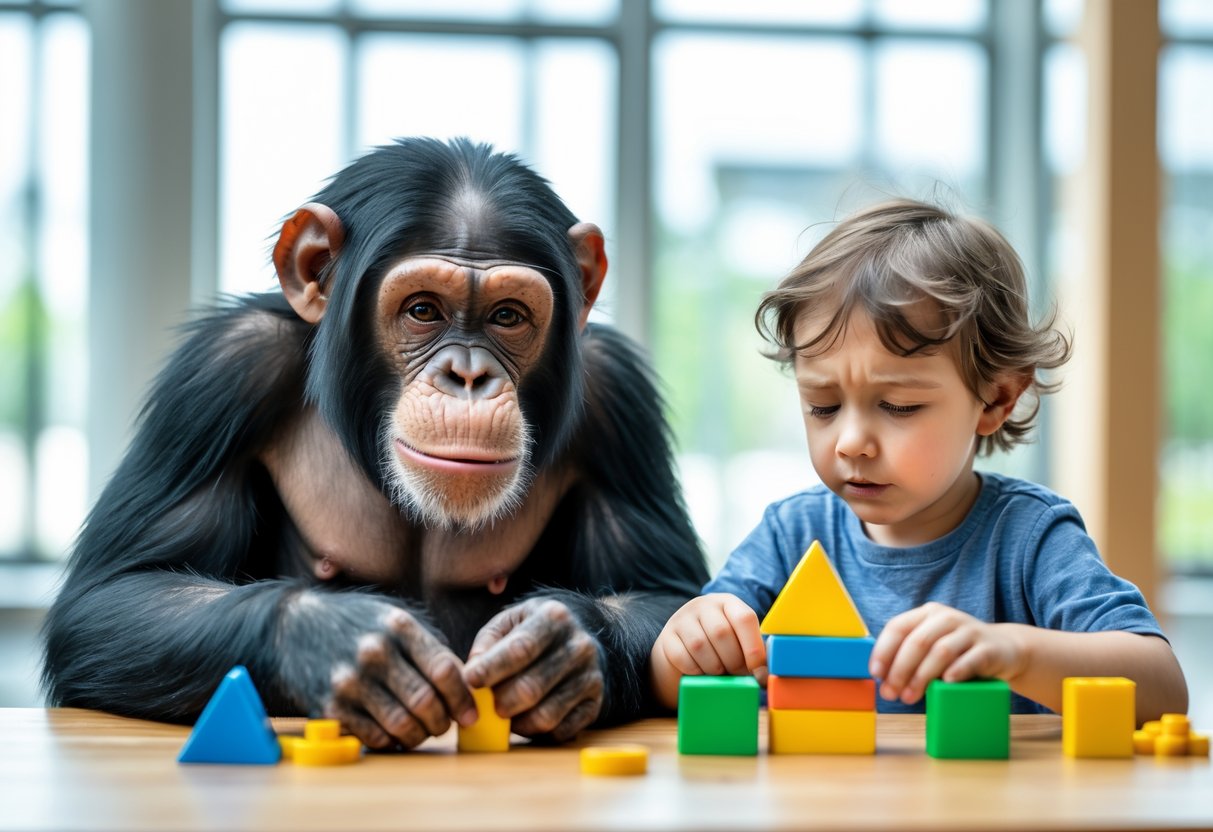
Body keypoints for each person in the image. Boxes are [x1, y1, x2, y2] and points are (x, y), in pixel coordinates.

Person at [650, 198, 1188, 722]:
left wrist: (1016, 652)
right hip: (824, 811)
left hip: (982, 813)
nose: (850, 442)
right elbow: (671, 685)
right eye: (823, 405)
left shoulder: (1029, 537)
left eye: (898, 406)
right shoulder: (792, 534)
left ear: (996, 399)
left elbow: (1162, 688)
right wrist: (686, 642)